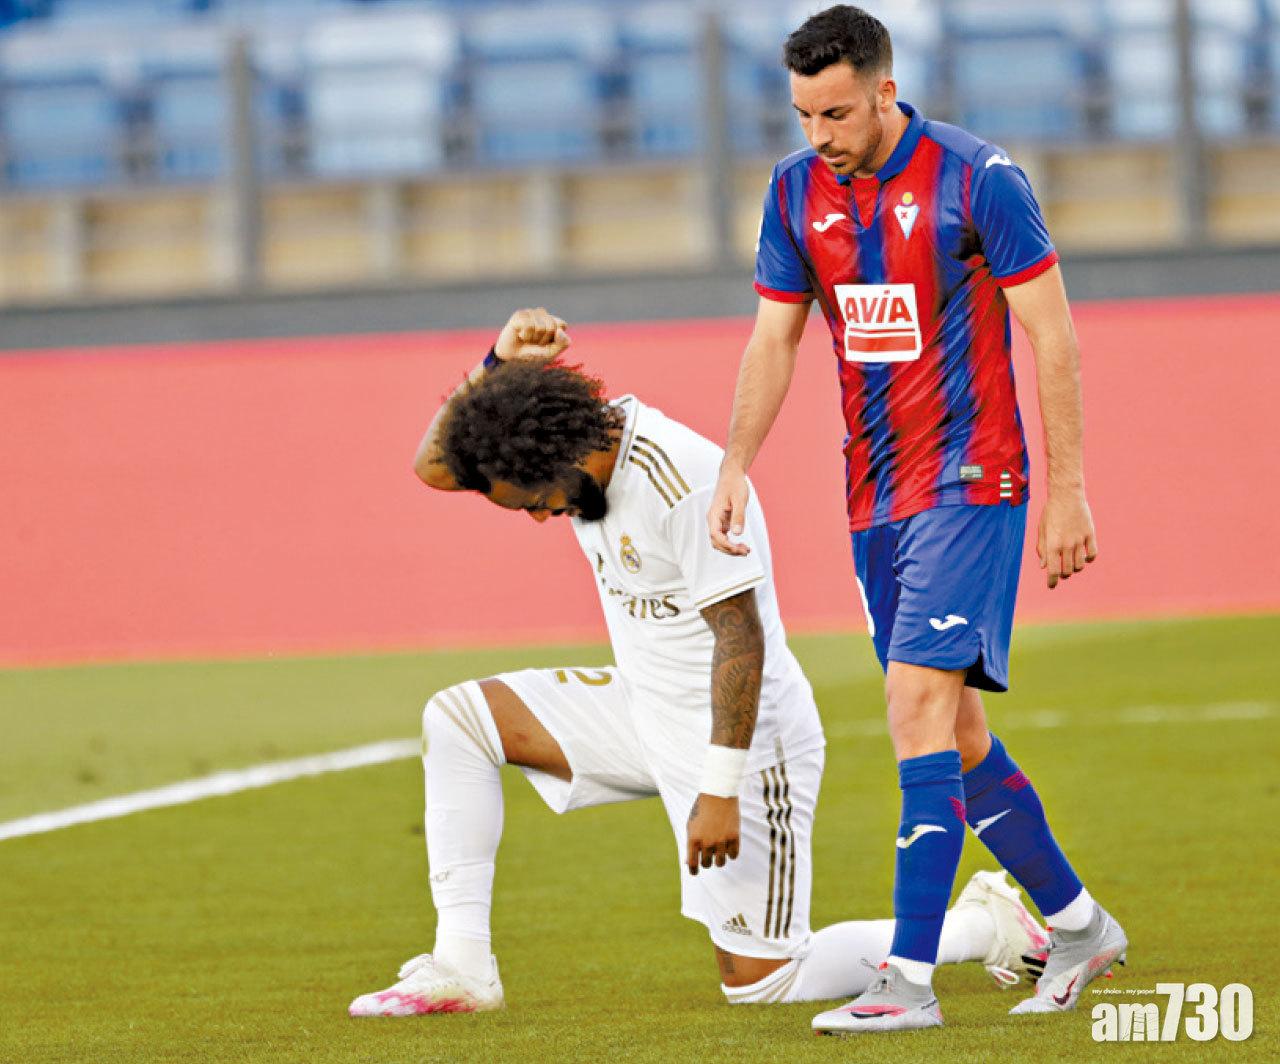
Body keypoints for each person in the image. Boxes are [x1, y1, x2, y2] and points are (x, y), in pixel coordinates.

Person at [348, 307, 1047, 1018]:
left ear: (556, 459)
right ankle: (464, 968)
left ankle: (981, 926)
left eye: (532, 501)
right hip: (643, 709)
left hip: (745, 742)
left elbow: (741, 639)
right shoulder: (565, 452)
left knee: (763, 984)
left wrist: (718, 790)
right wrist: (498, 364)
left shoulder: (682, 478)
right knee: (459, 720)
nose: (536, 516)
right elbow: (433, 466)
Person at [705, 5, 1127, 1036]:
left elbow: (1053, 337)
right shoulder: (793, 191)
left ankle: (905, 977)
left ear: (885, 91)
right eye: (804, 115)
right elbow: (774, 340)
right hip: (874, 495)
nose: (820, 134)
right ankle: (1080, 925)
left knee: (912, 707)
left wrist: (1066, 489)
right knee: (956, 730)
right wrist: (734, 463)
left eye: (837, 113)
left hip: (971, 480)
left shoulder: (979, 179)